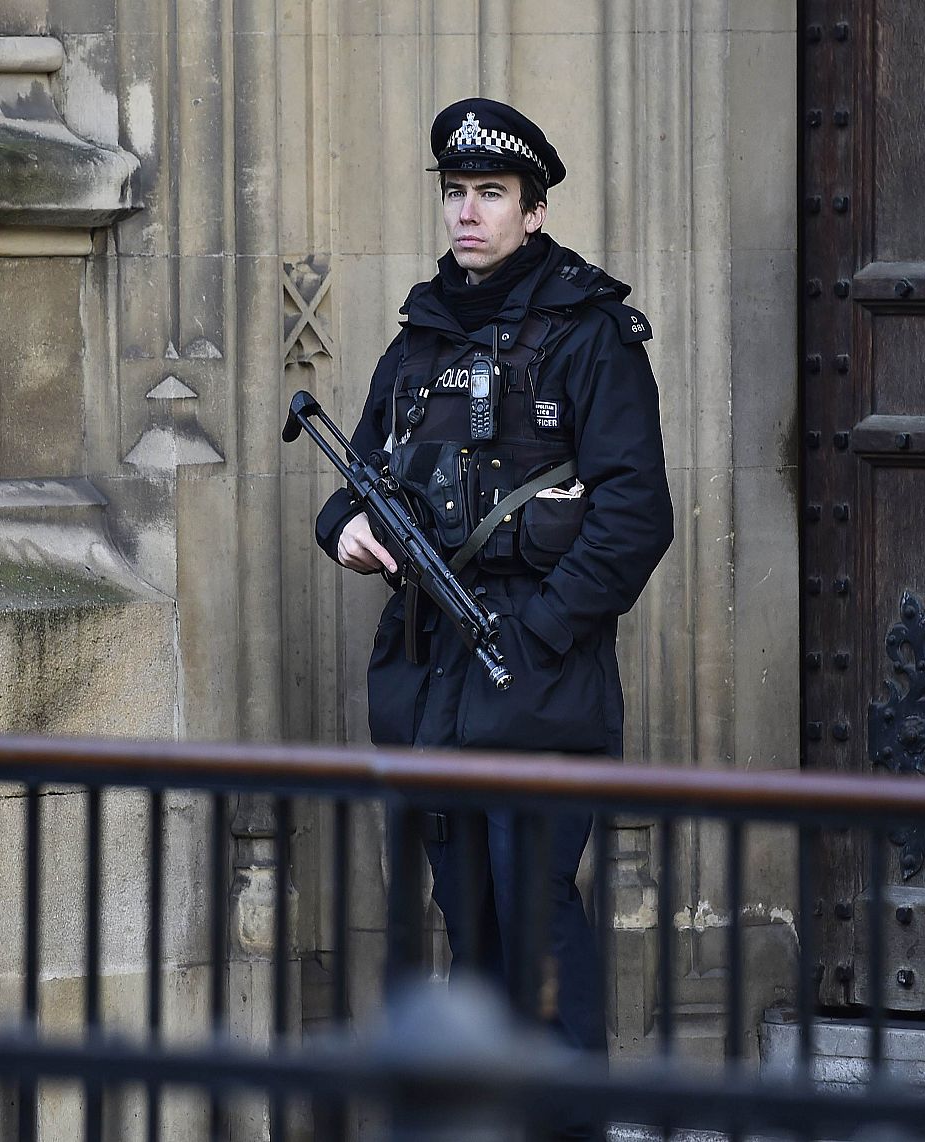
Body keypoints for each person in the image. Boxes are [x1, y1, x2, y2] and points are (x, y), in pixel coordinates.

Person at [313, 96, 673, 1082]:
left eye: (492, 194)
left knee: (537, 920)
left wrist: (541, 634)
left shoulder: (589, 336)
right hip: (432, 674)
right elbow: (360, 480)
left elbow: (636, 517)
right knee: (464, 923)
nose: (468, 212)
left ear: (534, 211)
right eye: (457, 193)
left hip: (539, 673)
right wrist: (340, 526)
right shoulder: (422, 342)